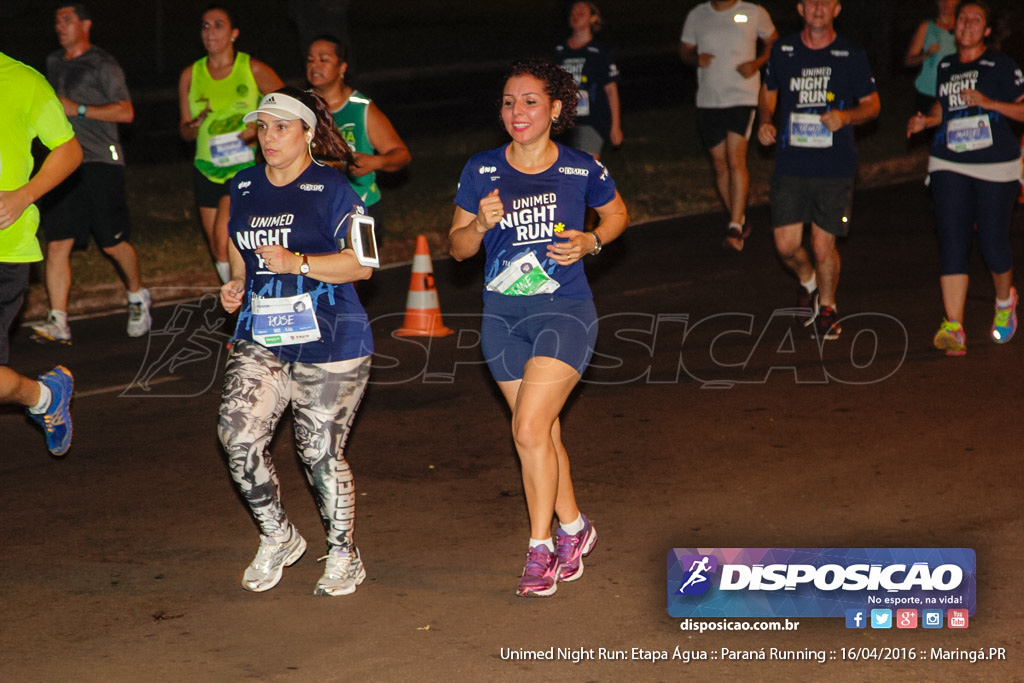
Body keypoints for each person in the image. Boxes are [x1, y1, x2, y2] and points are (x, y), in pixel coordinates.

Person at [449, 59, 628, 597]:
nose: (517, 112)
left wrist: (591, 241)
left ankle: (541, 548)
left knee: (527, 430)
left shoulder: (582, 168)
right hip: (502, 317)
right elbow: (457, 249)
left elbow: (618, 215)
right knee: (542, 433)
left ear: (555, 109)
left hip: (564, 313)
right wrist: (479, 224)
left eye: (529, 101)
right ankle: (576, 528)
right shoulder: (480, 169)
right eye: (508, 101)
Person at [217, 87, 374, 597]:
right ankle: (278, 536)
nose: (269, 137)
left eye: (282, 127)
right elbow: (241, 250)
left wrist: (300, 263)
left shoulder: (336, 190)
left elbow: (364, 263)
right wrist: (237, 282)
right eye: (263, 126)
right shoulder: (241, 186)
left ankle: (344, 552)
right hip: (262, 334)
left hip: (333, 337)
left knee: (317, 450)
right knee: (236, 436)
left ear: (307, 133)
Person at [757, 0, 880, 341]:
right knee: (785, 245)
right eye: (811, 1)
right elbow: (768, 94)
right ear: (800, 8)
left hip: (834, 165)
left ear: (837, 9)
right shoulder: (784, 50)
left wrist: (845, 117)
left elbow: (873, 105)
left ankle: (828, 307)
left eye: (826, 2)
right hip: (791, 162)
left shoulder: (850, 54)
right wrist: (765, 121)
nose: (818, 7)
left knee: (823, 244)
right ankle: (808, 282)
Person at [906, 1, 1024, 356]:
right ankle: (953, 325)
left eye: (976, 20)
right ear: (954, 27)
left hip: (995, 164)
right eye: (962, 19)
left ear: (987, 30)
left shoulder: (1002, 66)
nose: (967, 24)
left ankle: (1005, 301)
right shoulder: (946, 65)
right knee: (953, 238)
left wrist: (989, 103)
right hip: (948, 159)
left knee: (991, 241)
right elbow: (944, 107)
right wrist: (927, 121)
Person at [31, 3, 150, 345]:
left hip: (101, 160)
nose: (60, 26)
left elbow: (126, 112)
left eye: (67, 19)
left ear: (86, 25)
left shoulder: (103, 63)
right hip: (64, 162)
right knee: (57, 243)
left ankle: (137, 295)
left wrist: (79, 109)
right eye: (56, 20)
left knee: (111, 242)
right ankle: (58, 320)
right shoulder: (53, 62)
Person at [0, 50, 82, 455]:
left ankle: (44, 397)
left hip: (5, 250)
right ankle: (43, 397)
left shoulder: (22, 80)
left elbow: (68, 149)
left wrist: (23, 195)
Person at [178, 5, 283, 284]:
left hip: (243, 168)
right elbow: (185, 133)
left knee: (224, 238)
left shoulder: (252, 68)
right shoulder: (191, 74)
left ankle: (239, 298)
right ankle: (238, 296)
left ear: (234, 33)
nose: (210, 31)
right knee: (217, 247)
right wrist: (194, 126)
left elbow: (287, 108)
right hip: (205, 169)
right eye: (205, 25)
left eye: (218, 25)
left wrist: (259, 129)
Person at [681, 0, 777, 251]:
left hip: (742, 96)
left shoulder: (754, 12)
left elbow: (774, 42)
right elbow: (685, 49)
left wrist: (757, 63)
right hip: (709, 99)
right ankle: (740, 218)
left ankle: (734, 224)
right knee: (719, 164)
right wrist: (695, 57)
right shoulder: (698, 14)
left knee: (736, 160)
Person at [306, 34, 411, 242]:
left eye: (323, 59)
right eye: (310, 60)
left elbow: (402, 155)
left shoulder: (361, 108)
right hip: (313, 205)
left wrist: (377, 161)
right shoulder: (301, 106)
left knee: (357, 272)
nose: (314, 65)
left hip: (358, 208)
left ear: (342, 67)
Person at [554, 2, 623, 160]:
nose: (575, 15)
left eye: (581, 12)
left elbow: (611, 90)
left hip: (593, 120)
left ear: (593, 19)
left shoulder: (598, 52)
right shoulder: (560, 51)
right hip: (566, 122)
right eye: (573, 12)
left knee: (586, 168)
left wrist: (615, 126)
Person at [905, 0, 959, 116]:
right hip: (928, 92)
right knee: (926, 131)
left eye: (951, 0)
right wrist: (927, 54)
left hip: (953, 92)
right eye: (943, 0)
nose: (946, 4)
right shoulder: (927, 26)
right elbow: (909, 60)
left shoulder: (963, 29)